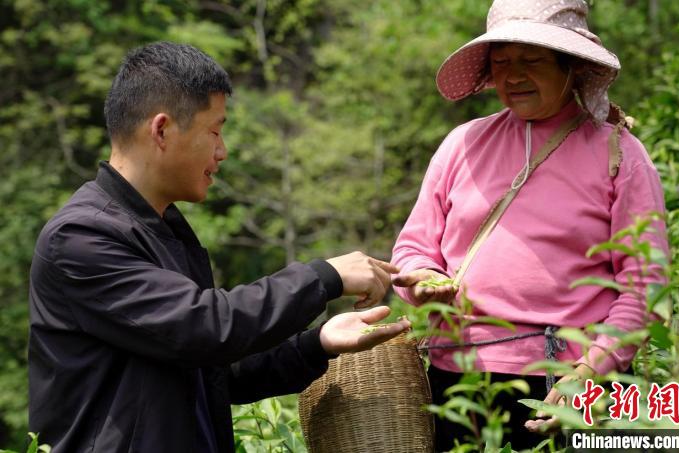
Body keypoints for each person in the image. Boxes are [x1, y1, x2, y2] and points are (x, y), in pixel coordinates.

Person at [28, 41, 410, 453]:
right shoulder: (82, 236)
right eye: (215, 130)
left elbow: (215, 372)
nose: (222, 151)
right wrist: (324, 277)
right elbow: (202, 328)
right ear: (161, 130)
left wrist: (316, 344)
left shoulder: (165, 232)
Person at [391, 0, 668, 450]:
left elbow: (644, 289)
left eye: (532, 60)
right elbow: (413, 249)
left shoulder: (620, 155)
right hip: (459, 381)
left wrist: (590, 374)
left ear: (572, 67)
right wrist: (422, 280)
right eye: (501, 62)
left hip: (578, 382)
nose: (513, 76)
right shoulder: (463, 143)